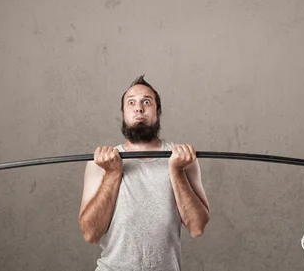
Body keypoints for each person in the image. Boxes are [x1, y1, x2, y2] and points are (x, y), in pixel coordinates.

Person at [78, 75, 211, 271]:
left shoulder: (182, 160)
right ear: (123, 113)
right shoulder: (101, 163)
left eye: (146, 102)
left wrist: (176, 171)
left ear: (158, 111)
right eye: (131, 103)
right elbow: (91, 234)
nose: (138, 108)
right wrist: (113, 174)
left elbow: (197, 227)